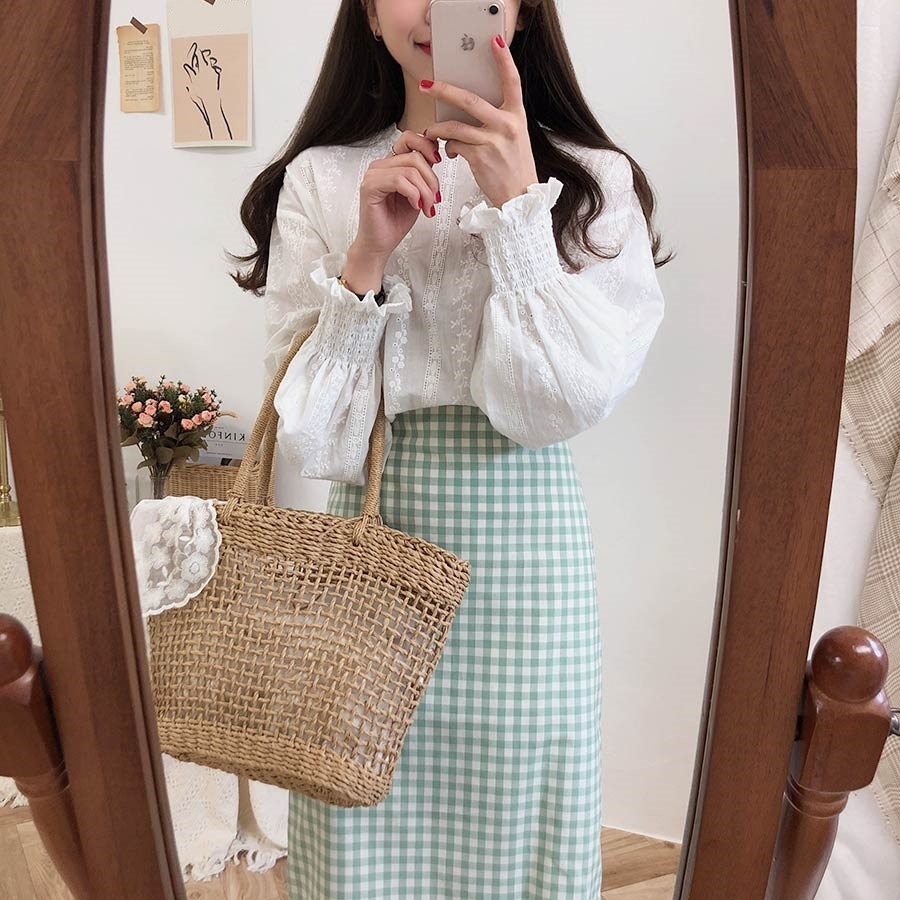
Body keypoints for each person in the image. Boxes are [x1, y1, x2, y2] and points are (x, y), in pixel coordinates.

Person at [228, 1, 671, 896]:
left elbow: (561, 405)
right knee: (358, 816)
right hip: (372, 544)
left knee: (523, 826)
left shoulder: (592, 180)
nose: (437, 7)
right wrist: (366, 259)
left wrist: (519, 213)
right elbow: (316, 435)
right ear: (366, 11)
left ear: (522, 10)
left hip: (527, 570)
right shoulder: (323, 178)